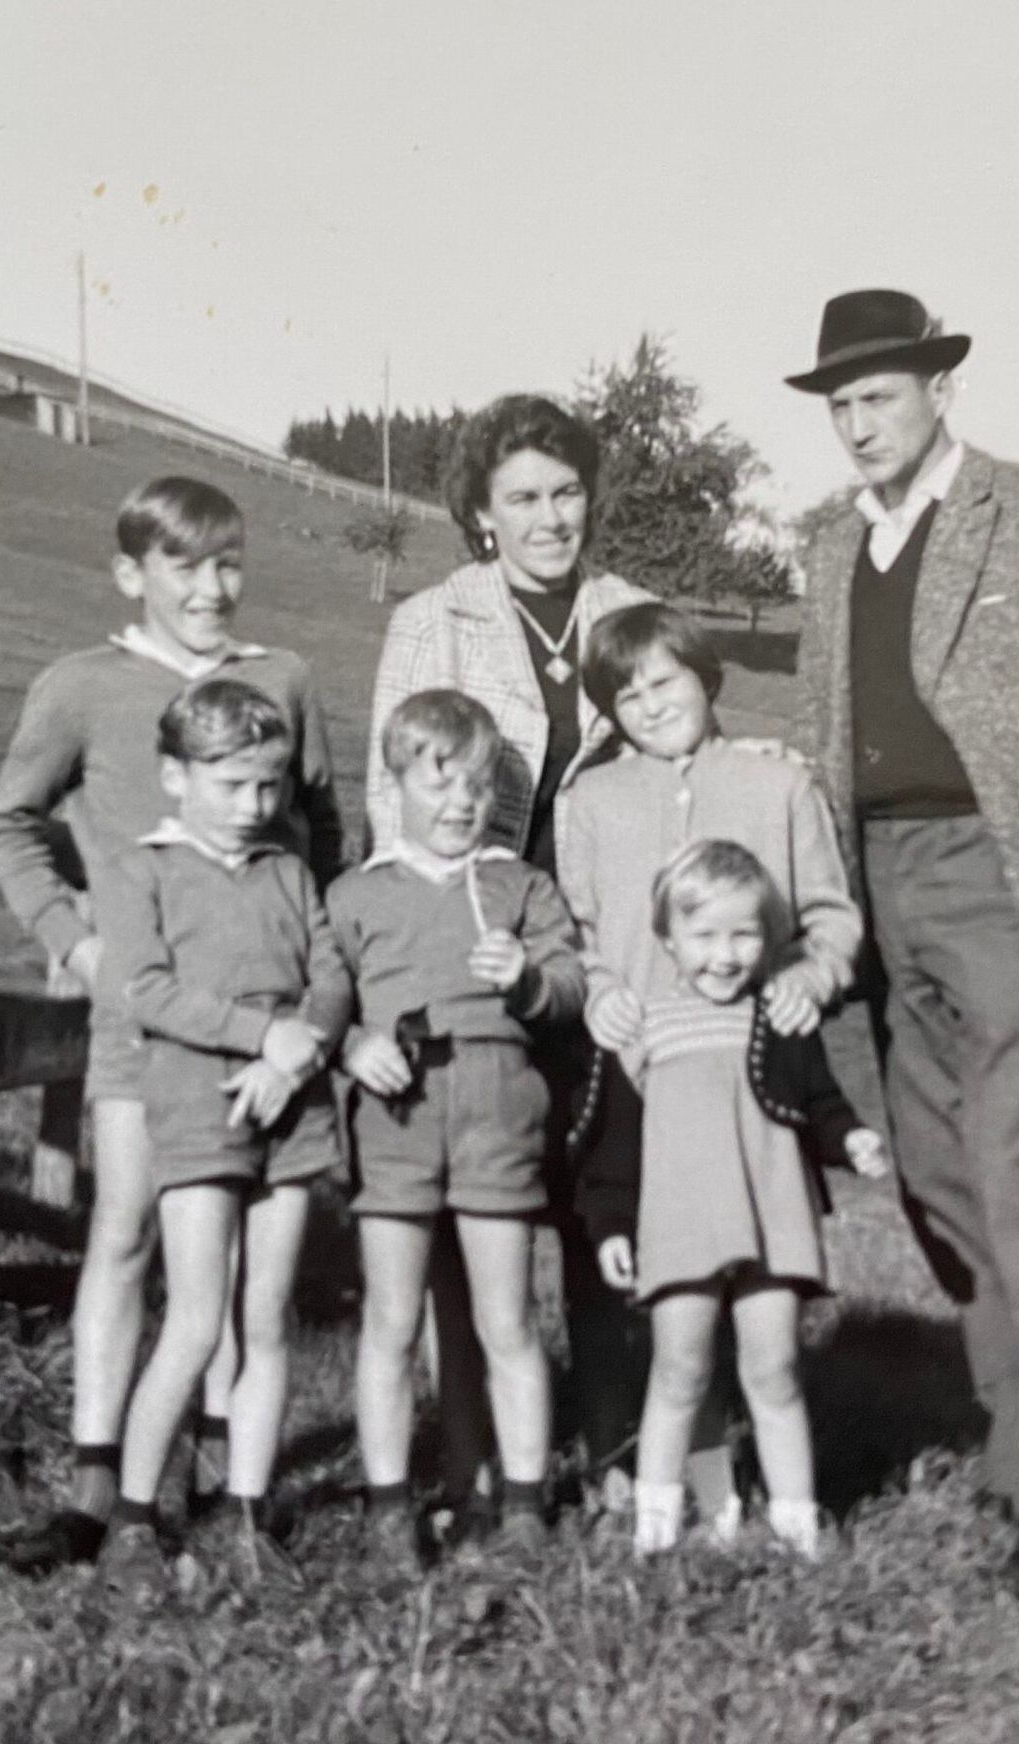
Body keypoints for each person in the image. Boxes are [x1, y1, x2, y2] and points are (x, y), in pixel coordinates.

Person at [789, 288, 1019, 1595]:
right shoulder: (830, 542)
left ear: (939, 390)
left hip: (1001, 874)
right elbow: (823, 730)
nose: (857, 424)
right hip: (878, 884)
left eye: (878, 396)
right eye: (839, 404)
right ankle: (1018, 1443)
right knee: (936, 1180)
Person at [0, 475, 343, 1573]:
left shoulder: (282, 678)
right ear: (130, 572)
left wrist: (308, 1006)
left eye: (228, 563)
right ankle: (97, 1486)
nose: (210, 589)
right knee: (127, 1231)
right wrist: (76, 940)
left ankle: (224, 1482)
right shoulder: (82, 685)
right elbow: (11, 822)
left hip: (264, 1028)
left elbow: (322, 840)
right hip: (142, 1019)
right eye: (183, 566)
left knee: (235, 1262)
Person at [364, 394, 648, 1522]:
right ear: (481, 513)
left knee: (598, 1194)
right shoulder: (433, 620)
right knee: (465, 1210)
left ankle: (614, 1447)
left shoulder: (628, 613)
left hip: (597, 945)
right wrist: (423, 958)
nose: (548, 518)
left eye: (566, 492)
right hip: (475, 944)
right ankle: (470, 1459)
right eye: (522, 497)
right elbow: (389, 793)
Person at [557, 600, 863, 1522]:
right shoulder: (592, 801)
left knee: (758, 1285)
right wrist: (598, 990)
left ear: (706, 675)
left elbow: (831, 914)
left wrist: (812, 974)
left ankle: (768, 1490)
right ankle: (693, 1485)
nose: (651, 704)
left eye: (666, 681)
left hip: (750, 1081)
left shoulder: (778, 783)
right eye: (627, 695)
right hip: (646, 1079)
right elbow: (578, 932)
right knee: (674, 1305)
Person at [92, 678, 353, 1596]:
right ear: (176, 776)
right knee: (198, 1321)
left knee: (267, 1318)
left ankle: (245, 1514)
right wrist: (259, 1037)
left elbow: (330, 976)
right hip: (198, 1101)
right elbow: (147, 990)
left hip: (292, 1102)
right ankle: (132, 1522)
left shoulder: (289, 871)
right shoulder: (143, 871)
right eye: (232, 785)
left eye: (269, 785)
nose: (254, 805)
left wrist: (298, 1050)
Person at [328, 690, 586, 1568]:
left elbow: (570, 986)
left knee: (508, 1317)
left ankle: (523, 1506)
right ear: (394, 784)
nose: (460, 804)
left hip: (496, 1103)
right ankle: (388, 1509)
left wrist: (527, 981)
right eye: (438, 784)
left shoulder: (520, 885)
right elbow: (322, 1002)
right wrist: (353, 1046)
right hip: (396, 1112)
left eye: (477, 787)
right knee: (391, 1320)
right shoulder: (356, 894)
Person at [623, 842, 886, 1561]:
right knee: (679, 1369)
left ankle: (797, 1527)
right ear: (668, 939)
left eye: (744, 935)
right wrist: (612, 1223)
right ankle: (655, 1528)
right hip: (681, 1225)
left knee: (774, 1369)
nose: (725, 955)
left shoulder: (781, 1017)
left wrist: (852, 1138)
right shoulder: (646, 1025)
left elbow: (820, 1101)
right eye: (704, 936)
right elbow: (616, 1146)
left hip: (773, 1217)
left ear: (768, 938)